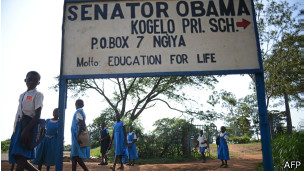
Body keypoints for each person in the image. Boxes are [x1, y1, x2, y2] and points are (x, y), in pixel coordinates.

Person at [9, 71, 44, 171]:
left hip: (29, 126)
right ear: (25, 80)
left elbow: (37, 115)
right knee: (19, 158)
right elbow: (19, 113)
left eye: (35, 80)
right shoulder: (22, 95)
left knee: (22, 158)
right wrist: (16, 128)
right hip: (20, 126)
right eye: (30, 79)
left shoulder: (38, 95)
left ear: (38, 83)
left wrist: (26, 131)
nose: (32, 81)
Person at [70, 99, 90, 171]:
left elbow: (81, 123)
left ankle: (86, 169)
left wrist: (78, 136)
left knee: (76, 155)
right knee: (74, 156)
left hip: (76, 135)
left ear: (76, 104)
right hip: (76, 134)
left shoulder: (78, 112)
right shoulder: (82, 112)